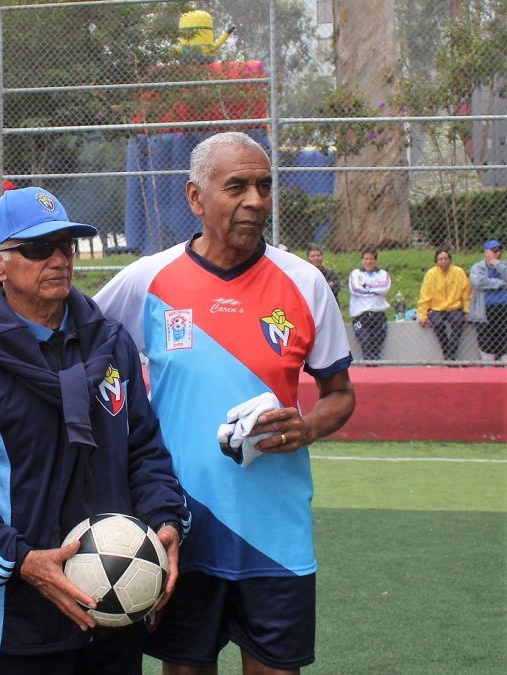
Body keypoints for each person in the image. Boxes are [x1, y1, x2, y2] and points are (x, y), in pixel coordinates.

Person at [94, 131, 356, 674]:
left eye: (264, 186)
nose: (255, 200)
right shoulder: (149, 278)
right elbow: (72, 334)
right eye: (236, 186)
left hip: (275, 532)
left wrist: (306, 428)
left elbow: (340, 396)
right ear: (195, 197)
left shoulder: (305, 284)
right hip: (180, 526)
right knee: (186, 668)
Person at [0, 187, 188, 675]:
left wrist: (167, 521)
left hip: (117, 610)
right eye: (37, 248)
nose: (58, 259)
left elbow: (145, 452)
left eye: (67, 246)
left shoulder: (112, 343)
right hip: (22, 621)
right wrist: (25, 562)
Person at [417, 249, 471, 361]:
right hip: (436, 308)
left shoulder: (459, 272)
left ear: (450, 260)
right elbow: (424, 296)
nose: (443, 261)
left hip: (454, 307)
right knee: (438, 324)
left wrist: (467, 310)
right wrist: (422, 315)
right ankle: (448, 353)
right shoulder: (431, 274)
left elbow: (466, 293)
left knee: (458, 322)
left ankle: (450, 355)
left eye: (446, 259)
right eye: (440, 259)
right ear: (436, 262)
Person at [348, 248, 391, 361]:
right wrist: (375, 289)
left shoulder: (383, 274)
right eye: (366, 259)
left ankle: (376, 373)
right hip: (360, 315)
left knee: (376, 348)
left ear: (375, 260)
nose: (368, 261)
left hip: (378, 314)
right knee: (365, 343)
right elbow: (355, 289)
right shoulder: (355, 274)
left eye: (371, 259)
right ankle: (368, 371)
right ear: (362, 260)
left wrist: (366, 286)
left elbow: (384, 288)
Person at [470, 239, 507, 361]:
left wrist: (497, 264)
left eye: (499, 250)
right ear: (486, 253)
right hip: (485, 309)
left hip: (504, 308)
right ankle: (489, 367)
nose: (498, 253)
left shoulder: (504, 265)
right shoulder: (478, 267)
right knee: (486, 339)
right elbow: (479, 282)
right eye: (494, 251)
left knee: (504, 338)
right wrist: (501, 284)